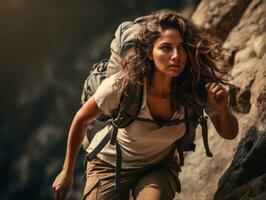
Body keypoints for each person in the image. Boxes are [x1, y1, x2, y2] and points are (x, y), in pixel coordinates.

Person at [52, 9, 239, 200]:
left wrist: (222, 107)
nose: (176, 56)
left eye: (181, 47)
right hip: (109, 165)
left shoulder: (195, 88)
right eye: (166, 48)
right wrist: (66, 173)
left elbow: (229, 133)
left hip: (158, 167)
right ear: (150, 52)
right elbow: (82, 119)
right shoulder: (123, 85)